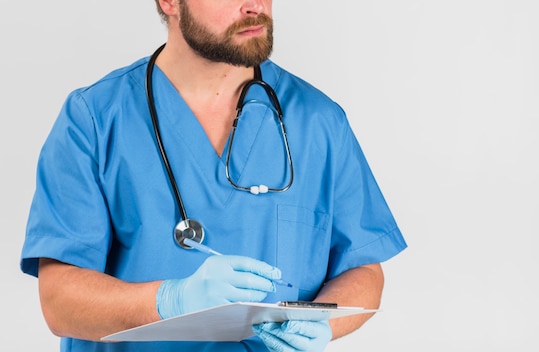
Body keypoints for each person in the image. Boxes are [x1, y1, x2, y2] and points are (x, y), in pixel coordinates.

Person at [20, 0, 407, 351]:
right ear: (170, 3)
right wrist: (171, 299)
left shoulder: (318, 121)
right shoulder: (95, 119)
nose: (256, 5)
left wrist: (321, 320)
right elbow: (60, 302)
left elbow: (363, 268)